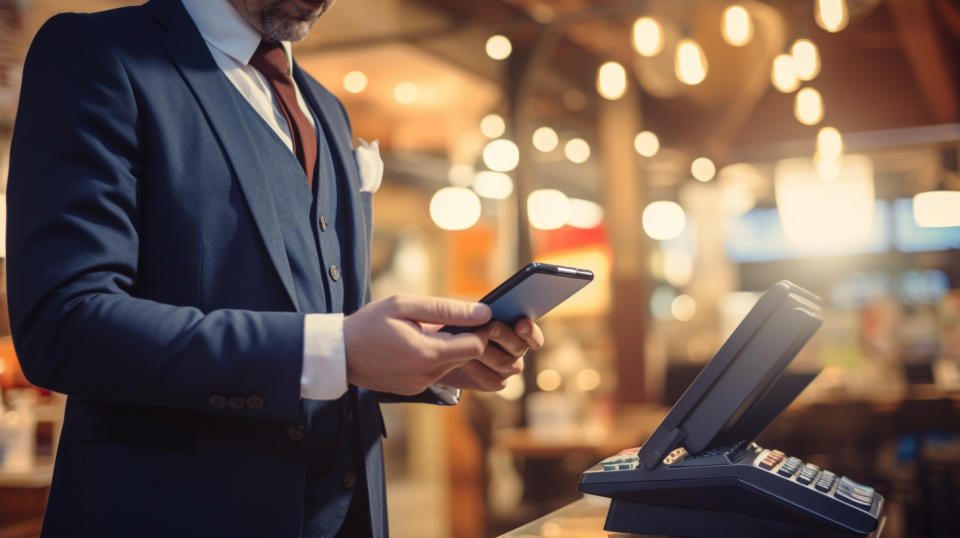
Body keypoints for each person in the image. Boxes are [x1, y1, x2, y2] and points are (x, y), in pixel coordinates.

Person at [5, 0, 543, 536]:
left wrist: (427, 359)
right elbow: (65, 324)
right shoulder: (100, 52)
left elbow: (327, 322)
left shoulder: (326, 109)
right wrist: (341, 350)